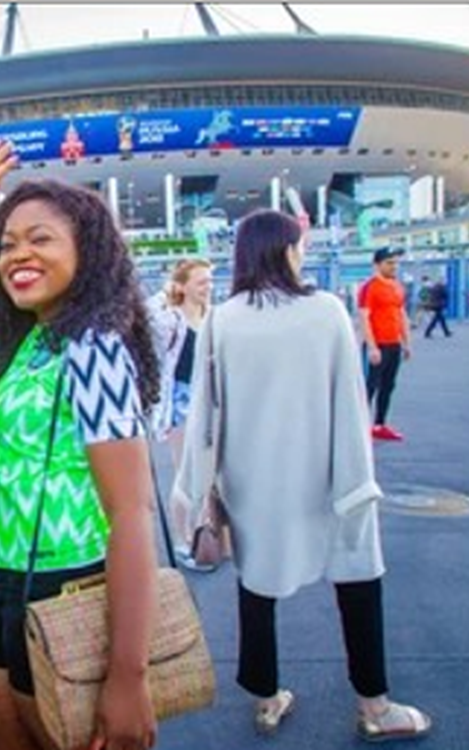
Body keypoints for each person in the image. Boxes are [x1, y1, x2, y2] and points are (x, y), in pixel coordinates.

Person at [0, 140, 162, 750]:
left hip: (71, 587)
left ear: (88, 252)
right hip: (5, 583)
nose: (18, 254)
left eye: (41, 238)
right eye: (6, 243)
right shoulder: (24, 339)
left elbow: (131, 512)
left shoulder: (95, 347)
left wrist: (127, 677)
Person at [175, 209, 431, 743]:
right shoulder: (326, 311)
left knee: (257, 589)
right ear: (285, 251)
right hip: (329, 475)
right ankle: (375, 705)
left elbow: (204, 417)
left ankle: (266, 699)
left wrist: (193, 492)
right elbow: (349, 400)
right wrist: (358, 480)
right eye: (299, 246)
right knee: (359, 581)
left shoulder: (223, 319)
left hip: (252, 482)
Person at [147, 258, 214, 571]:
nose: (207, 287)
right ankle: (183, 539)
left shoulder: (212, 317)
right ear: (183, 285)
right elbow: (143, 318)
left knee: (210, 472)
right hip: (179, 402)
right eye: (201, 282)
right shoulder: (171, 319)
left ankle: (205, 534)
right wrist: (166, 293)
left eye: (209, 281)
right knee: (185, 472)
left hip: (209, 401)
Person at [357, 247, 411, 442]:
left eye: (395, 262)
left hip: (393, 343)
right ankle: (358, 427)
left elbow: (401, 314)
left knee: (388, 385)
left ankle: (379, 424)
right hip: (377, 344)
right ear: (377, 265)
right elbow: (364, 317)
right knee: (370, 386)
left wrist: (406, 343)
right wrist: (372, 346)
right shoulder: (369, 287)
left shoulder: (396, 286)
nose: (393, 266)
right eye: (389, 263)